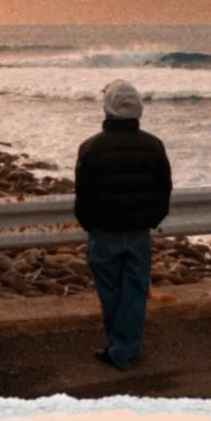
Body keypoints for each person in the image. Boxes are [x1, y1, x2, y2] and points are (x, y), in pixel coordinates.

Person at [73, 80, 172, 370]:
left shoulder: (90, 148)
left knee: (110, 291)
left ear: (108, 109)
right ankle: (125, 346)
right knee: (135, 290)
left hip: (104, 232)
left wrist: (89, 224)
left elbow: (84, 197)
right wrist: (151, 220)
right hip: (139, 232)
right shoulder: (154, 146)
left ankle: (120, 348)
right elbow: (163, 191)